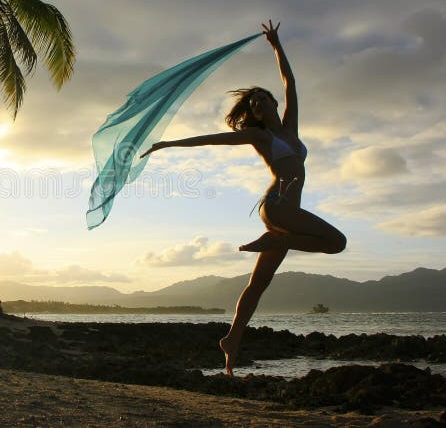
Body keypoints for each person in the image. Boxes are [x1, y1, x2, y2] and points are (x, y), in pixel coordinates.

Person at [140, 20, 346, 375]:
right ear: (252, 113)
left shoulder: (290, 128)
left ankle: (231, 340)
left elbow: (290, 83)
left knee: (258, 284)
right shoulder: (259, 136)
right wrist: (169, 144)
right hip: (278, 207)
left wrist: (276, 45)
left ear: (272, 102)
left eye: (261, 97)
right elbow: (212, 139)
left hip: (286, 213)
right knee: (337, 242)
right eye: (252, 102)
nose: (257, 102)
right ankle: (273, 237)